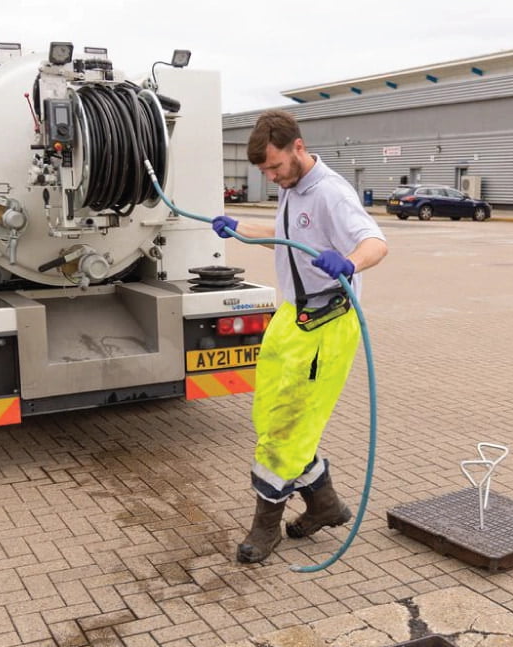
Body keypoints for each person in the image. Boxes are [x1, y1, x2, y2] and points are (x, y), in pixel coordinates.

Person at [211, 109, 388, 563]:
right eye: (264, 171)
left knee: (288, 426)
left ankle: (265, 527)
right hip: (292, 319)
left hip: (326, 327)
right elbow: (286, 235)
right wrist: (240, 228)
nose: (271, 177)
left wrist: (350, 262)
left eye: (275, 167)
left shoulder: (330, 192)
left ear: (299, 148)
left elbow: (375, 242)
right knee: (271, 416)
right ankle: (325, 505)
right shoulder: (293, 189)